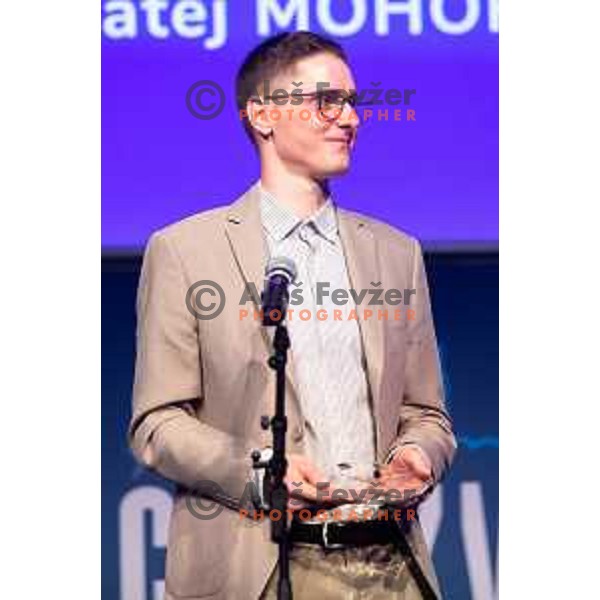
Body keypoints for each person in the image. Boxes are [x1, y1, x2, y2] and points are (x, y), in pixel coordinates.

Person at [130, 31, 456, 600]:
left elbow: (427, 413)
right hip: (258, 566)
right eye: (327, 102)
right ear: (262, 115)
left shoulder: (396, 253)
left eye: (353, 103)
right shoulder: (185, 250)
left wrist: (416, 454)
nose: (349, 119)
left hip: (388, 565)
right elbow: (157, 423)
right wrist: (260, 472)